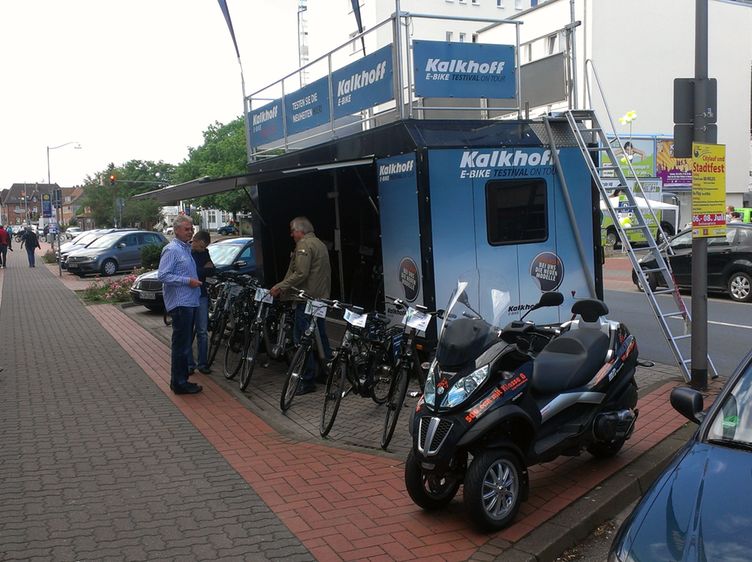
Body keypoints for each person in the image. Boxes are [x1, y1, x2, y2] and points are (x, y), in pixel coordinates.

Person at [270, 216, 332, 395]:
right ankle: (327, 372)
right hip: (320, 299)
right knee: (321, 336)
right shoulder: (319, 243)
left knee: (302, 340)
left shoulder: (304, 245)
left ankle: (307, 379)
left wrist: (280, 287)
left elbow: (301, 273)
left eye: (293, 231)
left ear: (300, 231)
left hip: (306, 299)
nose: (291, 235)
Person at [158, 216, 203, 395]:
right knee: (181, 346)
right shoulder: (172, 250)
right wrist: (187, 281)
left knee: (185, 345)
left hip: (189, 302)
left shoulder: (185, 248)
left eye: (191, 229)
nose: (190, 232)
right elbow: (163, 275)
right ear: (176, 230)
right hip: (180, 303)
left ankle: (181, 379)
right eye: (186, 229)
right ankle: (179, 383)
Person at [188, 230, 214, 376]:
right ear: (195, 241)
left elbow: (212, 270)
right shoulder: (187, 252)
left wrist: (201, 271)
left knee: (202, 331)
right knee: (188, 331)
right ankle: (189, 364)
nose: (203, 249)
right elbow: (191, 273)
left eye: (205, 247)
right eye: (202, 246)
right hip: (188, 296)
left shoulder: (205, 253)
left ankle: (203, 363)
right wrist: (203, 269)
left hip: (201, 295)